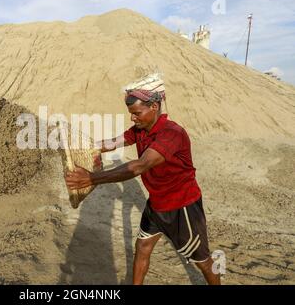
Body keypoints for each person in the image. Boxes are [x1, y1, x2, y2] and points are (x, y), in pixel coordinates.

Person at [65, 74, 221, 285]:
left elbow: (139, 166)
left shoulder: (172, 134)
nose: (133, 118)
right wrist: (83, 148)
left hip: (181, 207)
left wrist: (92, 179)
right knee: (143, 247)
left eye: (137, 113)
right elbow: (113, 142)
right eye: (131, 113)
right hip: (156, 204)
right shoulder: (140, 130)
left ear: (154, 106)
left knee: (203, 261)